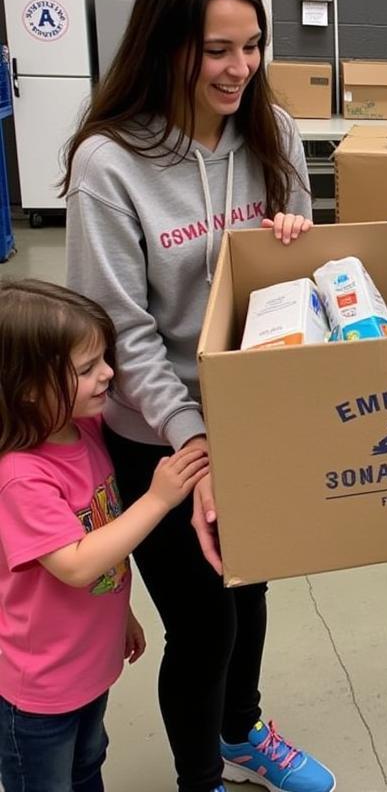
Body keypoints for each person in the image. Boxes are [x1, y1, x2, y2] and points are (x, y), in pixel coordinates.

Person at [60, 0, 335, 792]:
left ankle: (241, 729)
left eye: (251, 46)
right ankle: (199, 778)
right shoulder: (111, 165)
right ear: (167, 46)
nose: (240, 68)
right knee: (203, 621)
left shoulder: (272, 132)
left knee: (250, 592)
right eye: (217, 50)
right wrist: (195, 450)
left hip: (257, 417)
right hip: (160, 433)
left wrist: (293, 246)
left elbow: (304, 279)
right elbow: (122, 338)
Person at [0, 279, 209, 792]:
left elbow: (95, 533)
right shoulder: (23, 476)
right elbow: (74, 563)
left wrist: (121, 612)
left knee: (88, 765)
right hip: (40, 692)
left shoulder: (85, 432)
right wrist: (157, 499)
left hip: (89, 667)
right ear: (28, 387)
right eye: (87, 368)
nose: (109, 375)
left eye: (105, 359)